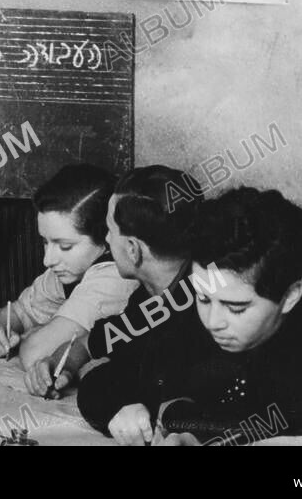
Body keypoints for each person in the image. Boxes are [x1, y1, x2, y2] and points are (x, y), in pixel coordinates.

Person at [78, 186, 302, 446]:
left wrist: (193, 429)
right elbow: (101, 382)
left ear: (289, 296)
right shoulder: (185, 321)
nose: (213, 321)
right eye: (203, 298)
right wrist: (123, 410)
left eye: (236, 308)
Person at [23, 166, 203, 397]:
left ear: (133, 250)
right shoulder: (150, 297)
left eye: (109, 230)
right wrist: (62, 364)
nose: (106, 240)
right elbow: (91, 342)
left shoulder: (203, 309)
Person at [0, 165, 136, 375]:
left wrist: (32, 335)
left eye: (65, 246)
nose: (48, 260)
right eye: (45, 242)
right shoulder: (70, 270)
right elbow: (16, 312)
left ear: (106, 239)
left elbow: (34, 355)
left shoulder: (113, 277)